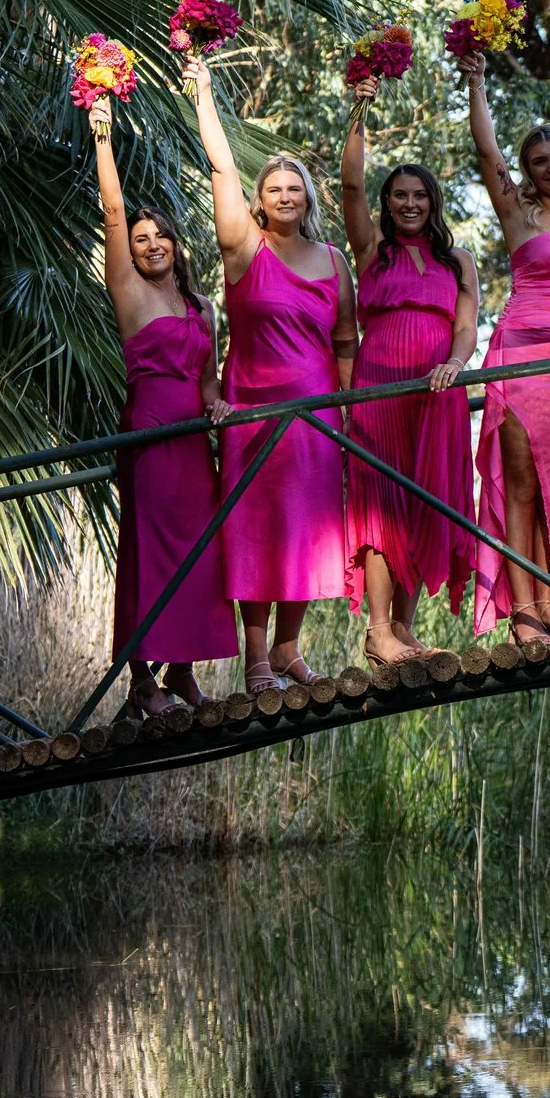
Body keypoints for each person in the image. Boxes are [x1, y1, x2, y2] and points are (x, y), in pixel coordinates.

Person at [191, 52, 357, 691]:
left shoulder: (333, 260)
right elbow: (221, 167)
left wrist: (343, 406)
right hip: (252, 409)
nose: (284, 196)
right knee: (255, 527)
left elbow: (345, 339)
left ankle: (290, 649)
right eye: (273, 189)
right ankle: (256, 658)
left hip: (315, 412)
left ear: (307, 199)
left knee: (308, 529)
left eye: (294, 189)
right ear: (259, 201)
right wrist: (204, 93)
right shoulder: (243, 248)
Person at [89, 93, 233, 715]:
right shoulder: (129, 293)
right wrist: (102, 132)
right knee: (147, 551)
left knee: (200, 550)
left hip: (191, 444)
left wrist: (220, 408)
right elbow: (114, 213)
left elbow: (206, 383)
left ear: (177, 243)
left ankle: (183, 671)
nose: (149, 245)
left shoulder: (202, 308)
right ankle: (142, 679)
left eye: (160, 237)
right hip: (147, 435)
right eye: (142, 240)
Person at [464, 50, 550, 642]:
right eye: (540, 161)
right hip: (518, 360)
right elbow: (488, 152)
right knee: (519, 486)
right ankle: (525, 613)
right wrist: (476, 83)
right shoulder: (517, 214)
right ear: (528, 170)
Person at [340, 93, 479, 664]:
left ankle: (404, 627)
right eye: (399, 195)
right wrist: (358, 111)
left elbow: (467, 328)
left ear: (434, 201)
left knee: (427, 503)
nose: (410, 203)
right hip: (380, 389)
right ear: (387, 202)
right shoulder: (372, 248)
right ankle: (377, 631)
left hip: (437, 391)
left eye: (420, 195)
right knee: (382, 501)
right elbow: (349, 189)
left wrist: (455, 363)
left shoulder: (458, 260)